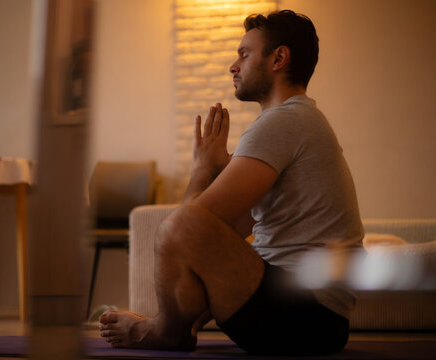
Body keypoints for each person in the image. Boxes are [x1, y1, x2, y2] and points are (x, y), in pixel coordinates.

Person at [99, 10, 363, 356]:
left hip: (303, 315)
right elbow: (220, 236)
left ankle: (164, 330)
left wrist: (202, 170)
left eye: (244, 54)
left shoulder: (282, 122)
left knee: (177, 225)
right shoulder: (301, 120)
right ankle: (172, 325)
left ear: (278, 58)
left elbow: (186, 230)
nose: (233, 66)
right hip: (320, 323)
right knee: (193, 229)